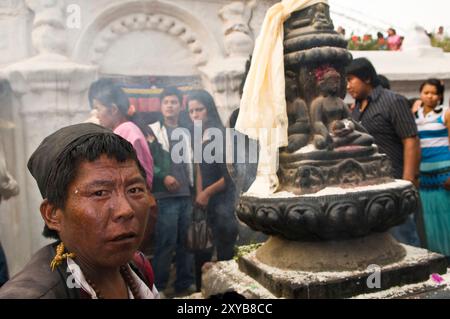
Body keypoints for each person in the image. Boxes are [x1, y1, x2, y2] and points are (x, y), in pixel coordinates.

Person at [0, 123, 159, 298]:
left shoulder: (138, 267)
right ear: (52, 214)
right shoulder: (36, 294)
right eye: (100, 193)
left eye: (134, 190)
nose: (126, 210)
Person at [346, 57, 422, 247]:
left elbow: (411, 140)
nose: (347, 86)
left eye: (350, 79)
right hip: (368, 187)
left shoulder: (392, 101)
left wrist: (407, 180)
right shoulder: (355, 110)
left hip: (394, 183)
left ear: (367, 79)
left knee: (404, 241)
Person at [186, 89, 238, 292]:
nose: (195, 115)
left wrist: (206, 193)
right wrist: (199, 196)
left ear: (209, 110)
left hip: (222, 201)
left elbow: (230, 175)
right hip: (205, 202)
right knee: (202, 249)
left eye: (199, 109)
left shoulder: (221, 134)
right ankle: (202, 293)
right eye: (191, 111)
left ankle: (228, 296)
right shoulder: (198, 135)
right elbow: (199, 168)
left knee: (224, 250)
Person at [149, 87, 195, 297]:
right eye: (166, 102)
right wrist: (163, 176)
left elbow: (193, 163)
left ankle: (184, 283)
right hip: (165, 197)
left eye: (174, 102)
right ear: (160, 106)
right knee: (165, 242)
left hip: (187, 194)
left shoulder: (187, 131)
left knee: (187, 241)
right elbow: (146, 162)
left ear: (180, 106)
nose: (170, 105)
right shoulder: (153, 131)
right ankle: (158, 286)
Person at [89, 79, 154, 190]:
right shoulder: (123, 130)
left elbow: (129, 174)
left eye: (97, 108)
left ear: (113, 109)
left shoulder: (127, 131)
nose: (95, 114)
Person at [414, 79, 450, 259]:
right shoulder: (415, 115)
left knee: (446, 214)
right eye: (426, 92)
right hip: (424, 174)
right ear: (420, 94)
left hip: (444, 171)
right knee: (428, 217)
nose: (430, 96)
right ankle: (437, 256)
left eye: (434, 93)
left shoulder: (445, 114)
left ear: (440, 96)